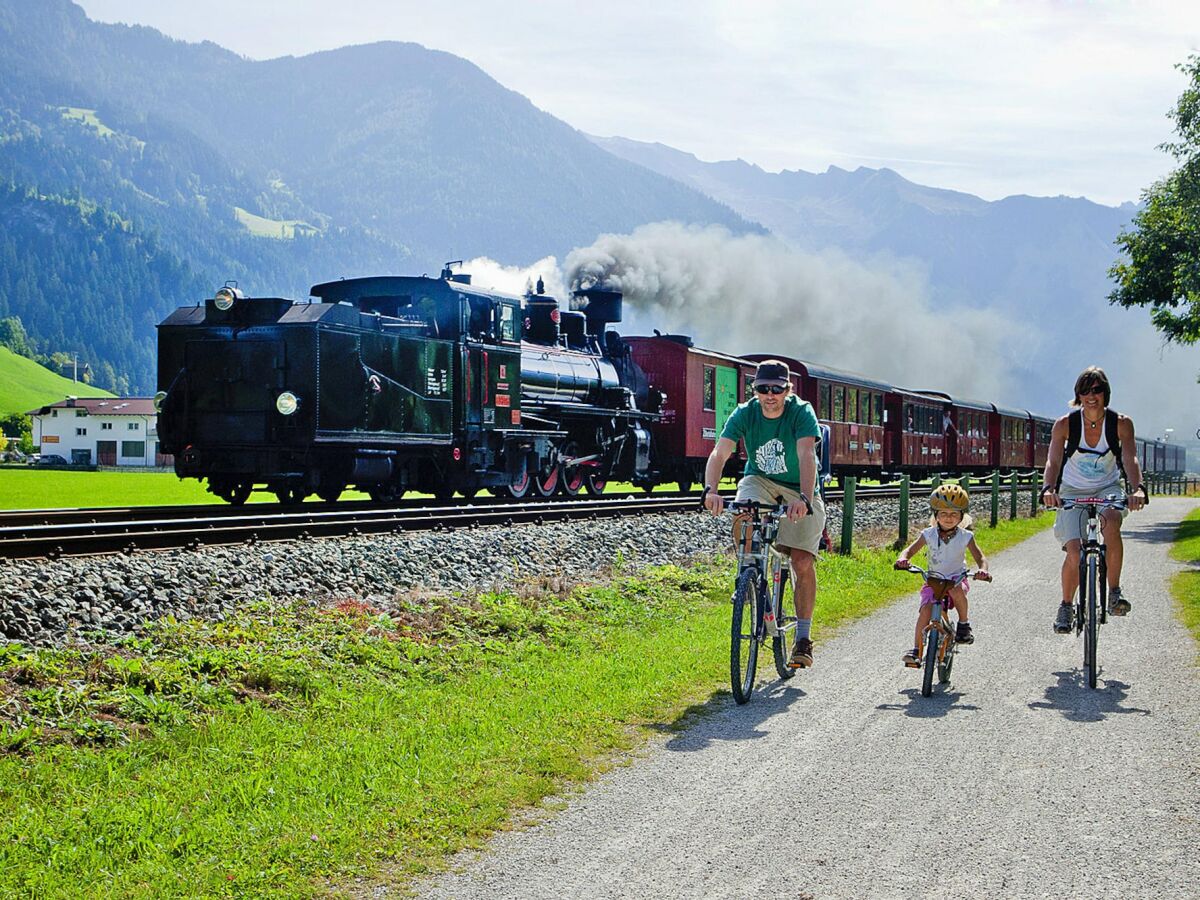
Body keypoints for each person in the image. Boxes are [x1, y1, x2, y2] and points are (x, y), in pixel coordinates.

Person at [703, 360, 827, 668]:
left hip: (799, 485)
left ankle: (802, 637)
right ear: (754, 390)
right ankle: (748, 576)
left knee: (801, 560)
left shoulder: (801, 411)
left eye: (776, 389)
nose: (769, 395)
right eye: (762, 389)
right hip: (759, 480)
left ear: (788, 389)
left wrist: (804, 497)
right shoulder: (745, 413)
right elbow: (720, 451)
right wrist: (710, 490)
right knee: (743, 513)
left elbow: (806, 453)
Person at [1040, 366, 1147, 634]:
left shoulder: (1121, 424)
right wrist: (1048, 488)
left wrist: (1138, 489)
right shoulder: (1065, 425)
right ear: (1078, 395)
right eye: (1085, 390)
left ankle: (1114, 591)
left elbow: (1129, 458)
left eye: (1097, 390)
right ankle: (1066, 605)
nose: (1091, 395)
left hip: (1107, 488)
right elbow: (1053, 461)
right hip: (1072, 491)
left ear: (1105, 393)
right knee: (1074, 552)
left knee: (1111, 522)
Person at [894, 484, 989, 667]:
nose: (948, 518)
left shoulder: (966, 536)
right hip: (933, 581)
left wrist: (983, 569)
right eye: (943, 514)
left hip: (956, 579)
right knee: (925, 611)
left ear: (962, 516)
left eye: (954, 514)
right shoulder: (928, 534)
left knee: (955, 590)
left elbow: (980, 557)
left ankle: (963, 624)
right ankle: (916, 650)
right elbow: (909, 551)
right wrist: (903, 559)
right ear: (935, 515)